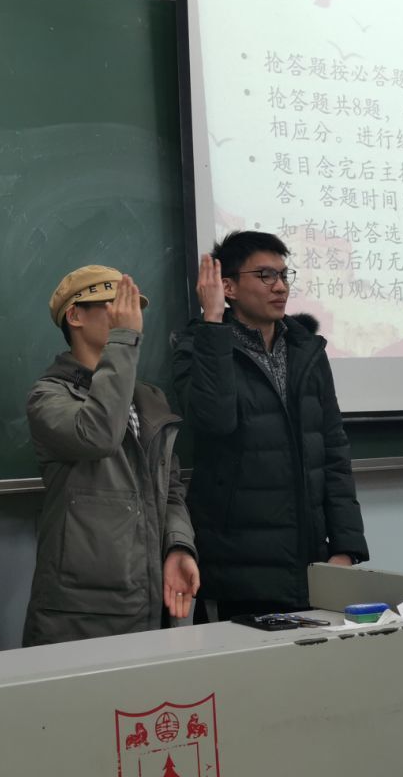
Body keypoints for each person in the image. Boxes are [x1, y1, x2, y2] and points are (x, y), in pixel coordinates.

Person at [172, 230, 368, 620]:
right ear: (228, 287)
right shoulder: (197, 347)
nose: (280, 286)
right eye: (265, 276)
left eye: (283, 274)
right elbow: (214, 420)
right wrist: (213, 324)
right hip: (235, 570)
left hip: (311, 564)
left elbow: (333, 451)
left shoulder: (307, 350)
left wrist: (346, 548)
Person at [23, 266, 198, 647]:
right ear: (75, 316)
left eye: (131, 307)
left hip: (148, 600)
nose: (129, 316)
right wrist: (123, 340)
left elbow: (170, 491)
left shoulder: (150, 399)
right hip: (79, 613)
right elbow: (98, 435)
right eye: (115, 305)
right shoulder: (48, 396)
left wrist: (178, 546)